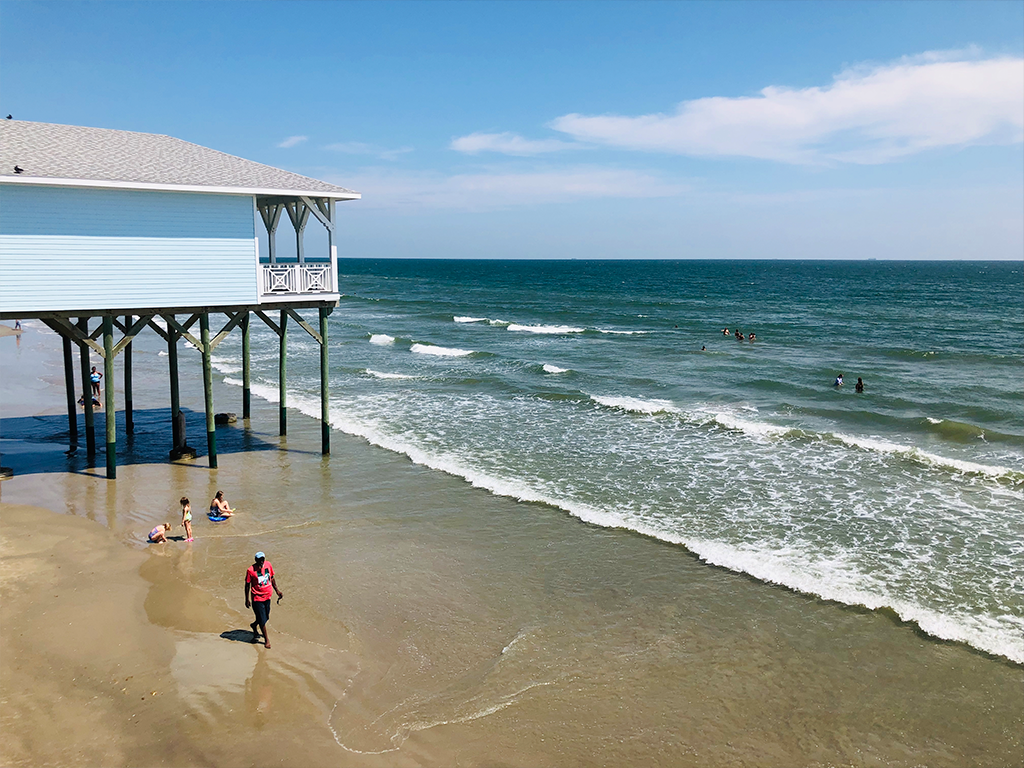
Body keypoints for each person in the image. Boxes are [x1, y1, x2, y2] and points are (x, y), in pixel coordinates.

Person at [245, 552, 284, 649]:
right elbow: (247, 585)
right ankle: (266, 640)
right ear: (256, 560)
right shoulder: (250, 570)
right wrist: (247, 599)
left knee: (265, 617)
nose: (261, 561)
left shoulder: (268, 565)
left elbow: (272, 578)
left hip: (267, 596)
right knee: (262, 620)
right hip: (257, 598)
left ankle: (254, 625)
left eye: (262, 559)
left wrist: (277, 591)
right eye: (259, 560)